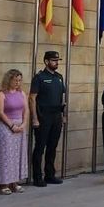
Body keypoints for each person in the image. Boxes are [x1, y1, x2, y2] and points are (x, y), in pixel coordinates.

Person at [29, 51, 67, 185]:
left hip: (56, 116)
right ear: (46, 62)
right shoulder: (39, 77)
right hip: (43, 116)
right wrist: (34, 118)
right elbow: (32, 98)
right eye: (53, 60)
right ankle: (37, 177)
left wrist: (63, 115)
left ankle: (50, 174)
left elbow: (62, 98)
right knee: (40, 147)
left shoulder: (59, 77)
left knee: (52, 146)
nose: (56, 63)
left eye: (57, 60)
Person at [0, 69, 30, 193]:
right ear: (9, 80)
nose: (17, 83)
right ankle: (3, 183)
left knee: (18, 154)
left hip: (20, 125)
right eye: (15, 80)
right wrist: (11, 125)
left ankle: (15, 182)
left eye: (19, 80)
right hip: (6, 126)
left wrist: (24, 123)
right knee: (5, 154)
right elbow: (0, 112)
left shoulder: (22, 93)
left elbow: (26, 110)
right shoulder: (2, 94)